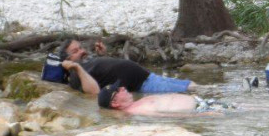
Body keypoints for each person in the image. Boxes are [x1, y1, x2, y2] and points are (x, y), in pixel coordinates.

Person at [58, 39, 198, 95]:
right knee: (191, 91)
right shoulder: (76, 74)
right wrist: (76, 68)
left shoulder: (87, 64)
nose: (82, 51)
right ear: (67, 59)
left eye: (81, 47)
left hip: (148, 77)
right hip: (143, 85)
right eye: (75, 51)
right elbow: (94, 92)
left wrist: (103, 55)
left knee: (192, 86)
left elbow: (108, 71)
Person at [98, 80, 231, 116]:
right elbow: (169, 116)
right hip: (202, 109)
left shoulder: (136, 105)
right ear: (115, 103)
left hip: (202, 103)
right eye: (118, 90)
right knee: (245, 109)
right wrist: (204, 115)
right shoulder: (138, 111)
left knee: (244, 107)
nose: (122, 88)